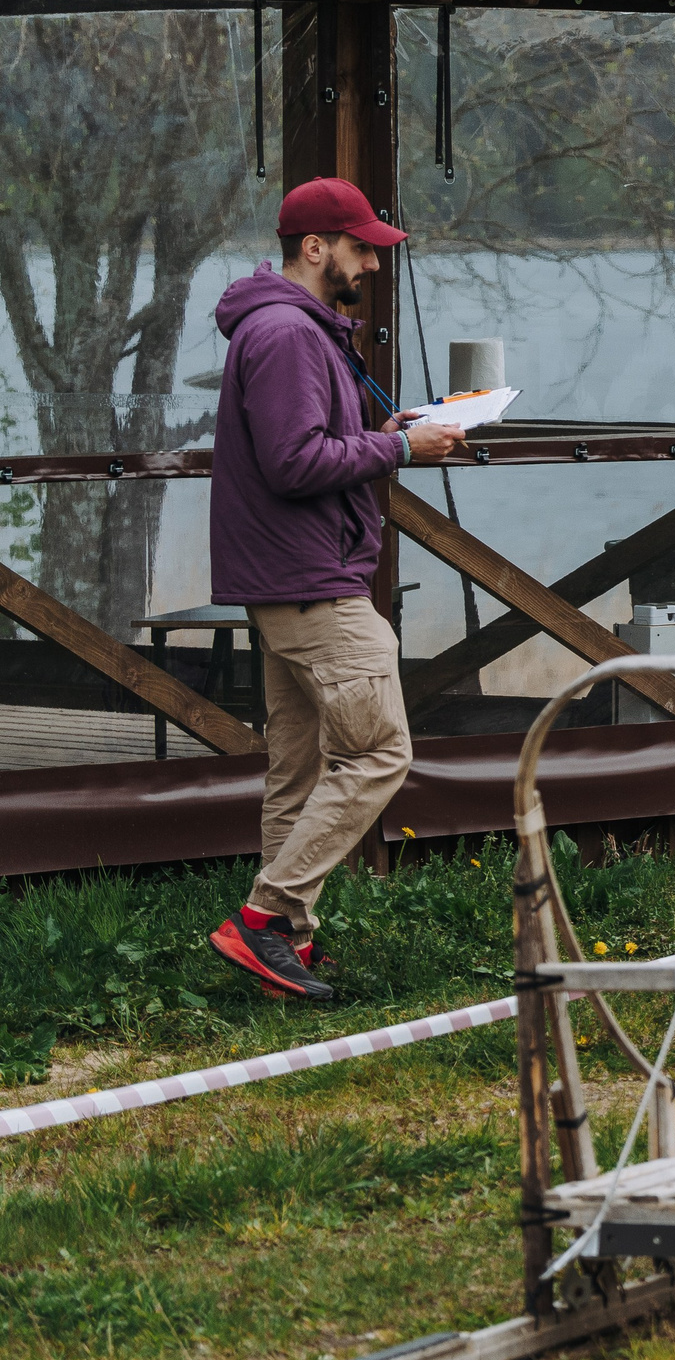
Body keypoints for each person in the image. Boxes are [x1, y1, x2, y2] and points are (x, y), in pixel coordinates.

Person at [204, 177, 469, 999]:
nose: (371, 265)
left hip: (288, 575)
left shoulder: (294, 329)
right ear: (314, 248)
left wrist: (378, 433)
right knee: (381, 749)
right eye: (360, 249)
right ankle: (262, 918)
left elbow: (312, 442)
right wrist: (401, 453)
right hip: (311, 579)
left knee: (300, 771)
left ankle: (287, 948)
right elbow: (292, 464)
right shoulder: (286, 333)